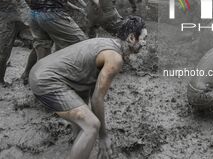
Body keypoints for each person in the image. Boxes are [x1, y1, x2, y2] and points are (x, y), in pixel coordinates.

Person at [29, 16, 147, 159]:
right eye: (143, 38)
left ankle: (77, 143)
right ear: (131, 38)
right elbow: (97, 98)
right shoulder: (115, 58)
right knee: (92, 125)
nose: (145, 43)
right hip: (46, 80)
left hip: (42, 71)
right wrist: (103, 136)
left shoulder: (109, 43)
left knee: (83, 113)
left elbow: (87, 86)